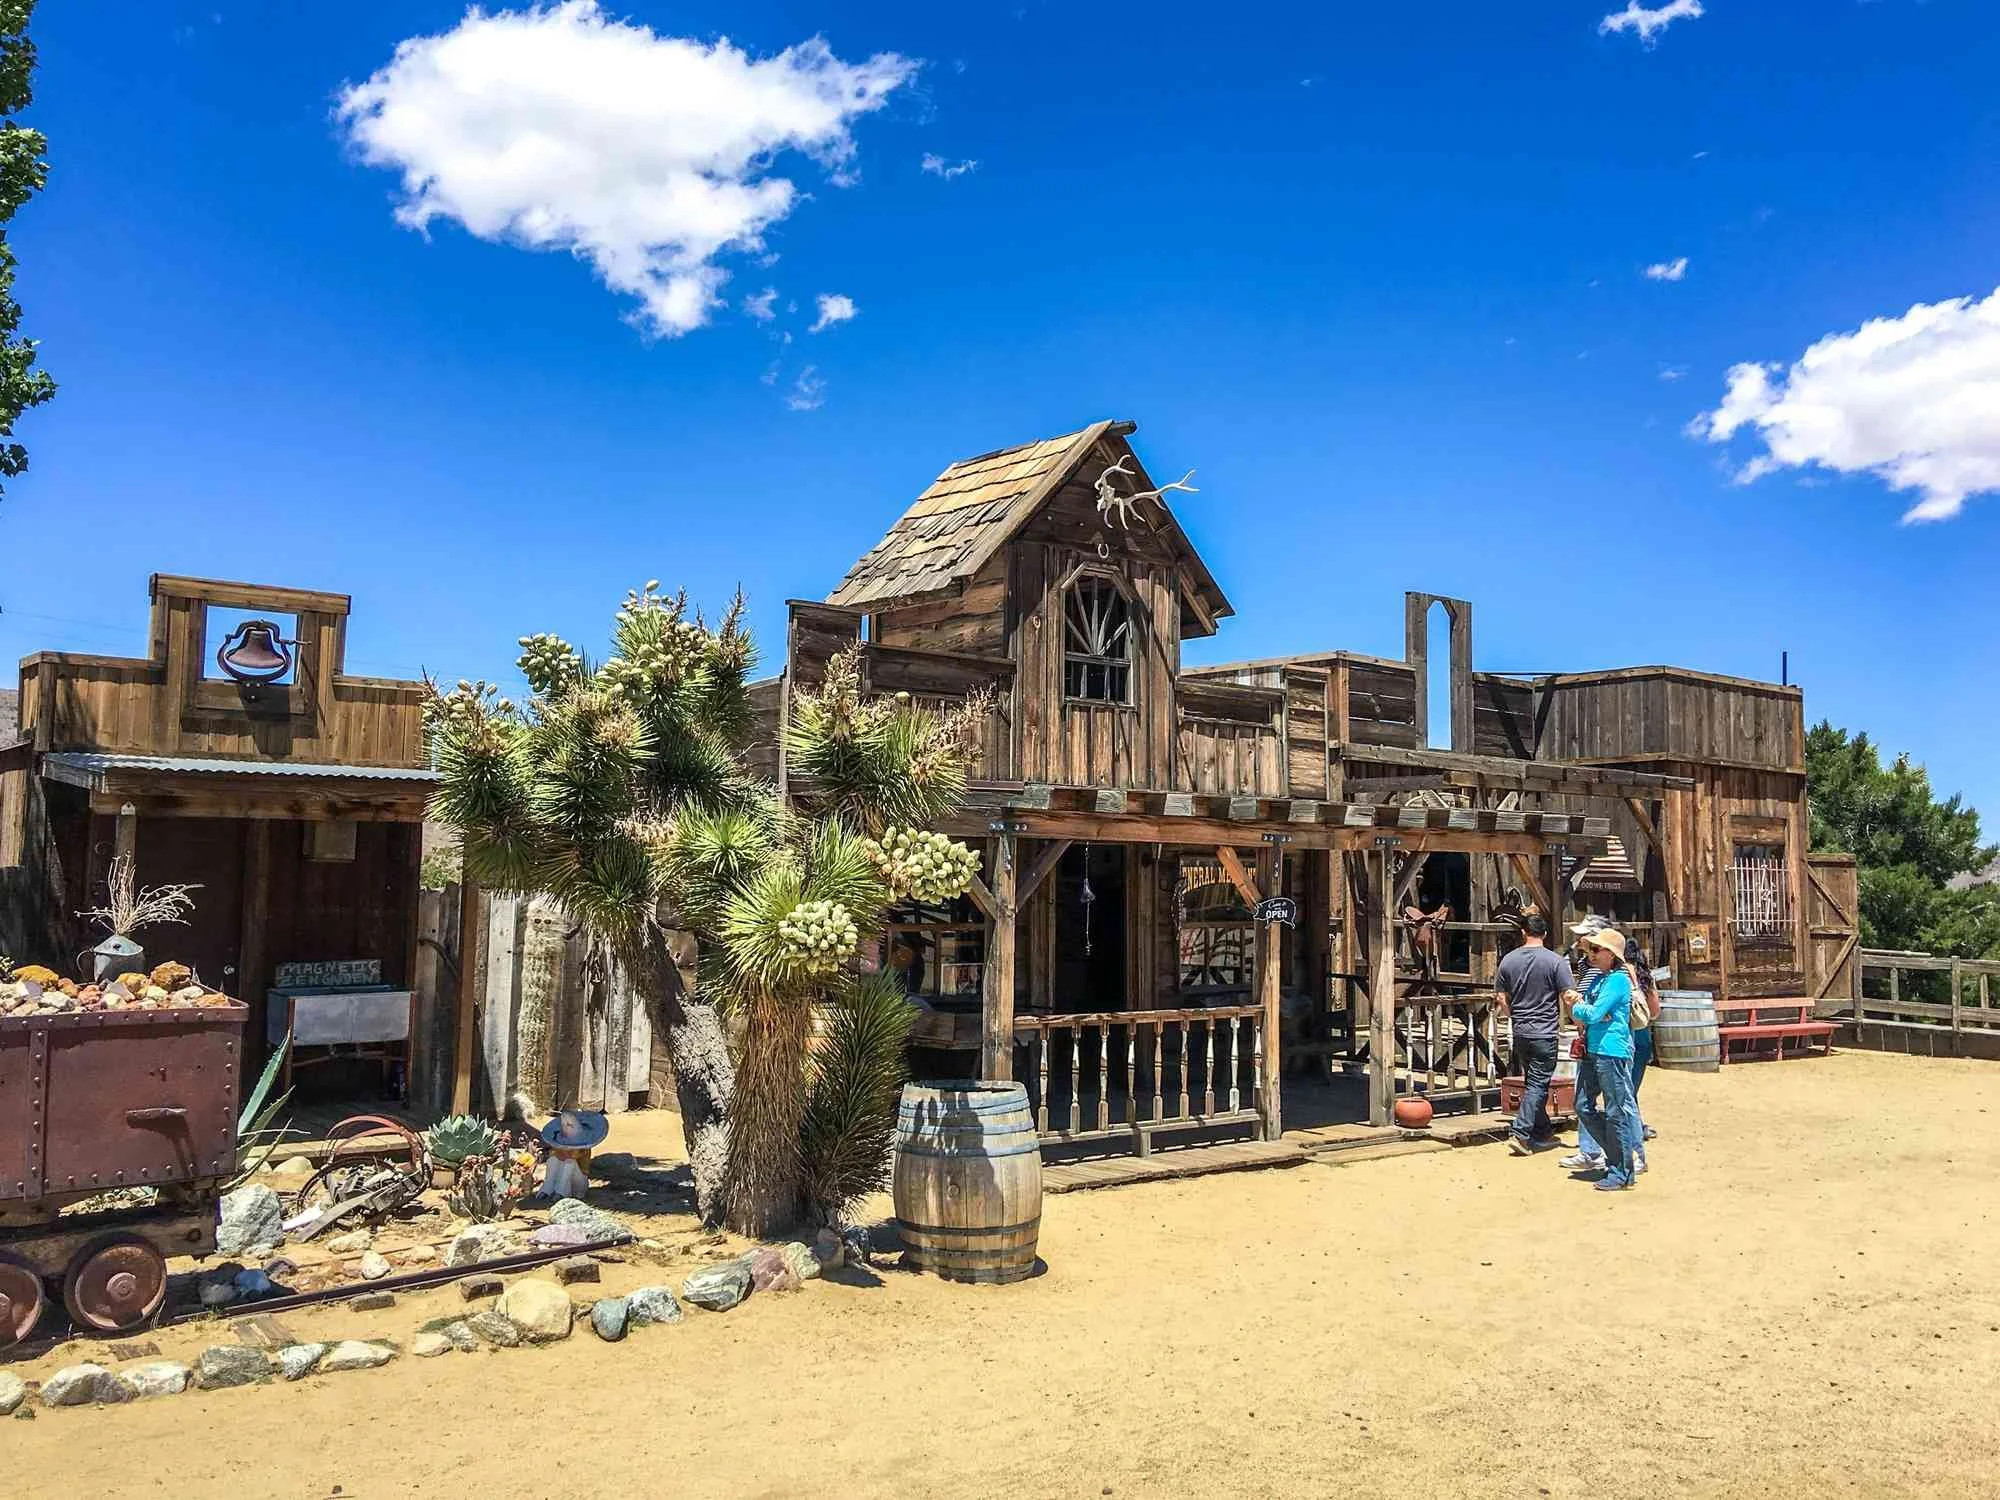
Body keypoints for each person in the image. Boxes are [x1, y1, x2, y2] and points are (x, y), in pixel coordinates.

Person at [1567, 927, 1644, 1191]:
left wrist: (1579, 1006)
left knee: (1615, 1110)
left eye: (1597, 950)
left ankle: (1622, 1169)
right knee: (1582, 1105)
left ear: (1611, 955)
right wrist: (1586, 1010)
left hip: (1612, 1051)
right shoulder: (1601, 980)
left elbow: (1593, 1013)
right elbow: (1591, 1014)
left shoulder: (1618, 981)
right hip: (1595, 1049)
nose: (1592, 954)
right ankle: (1617, 1158)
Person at [1495, 913, 1570, 1155]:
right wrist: (1579, 1022)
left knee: (1533, 1082)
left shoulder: (1508, 960)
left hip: (1521, 1031)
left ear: (1523, 933)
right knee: (1538, 1083)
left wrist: (1512, 1015)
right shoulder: (1555, 961)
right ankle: (1521, 1131)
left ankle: (1544, 1131)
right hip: (1545, 1030)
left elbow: (1500, 998)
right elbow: (1568, 995)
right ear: (1545, 934)